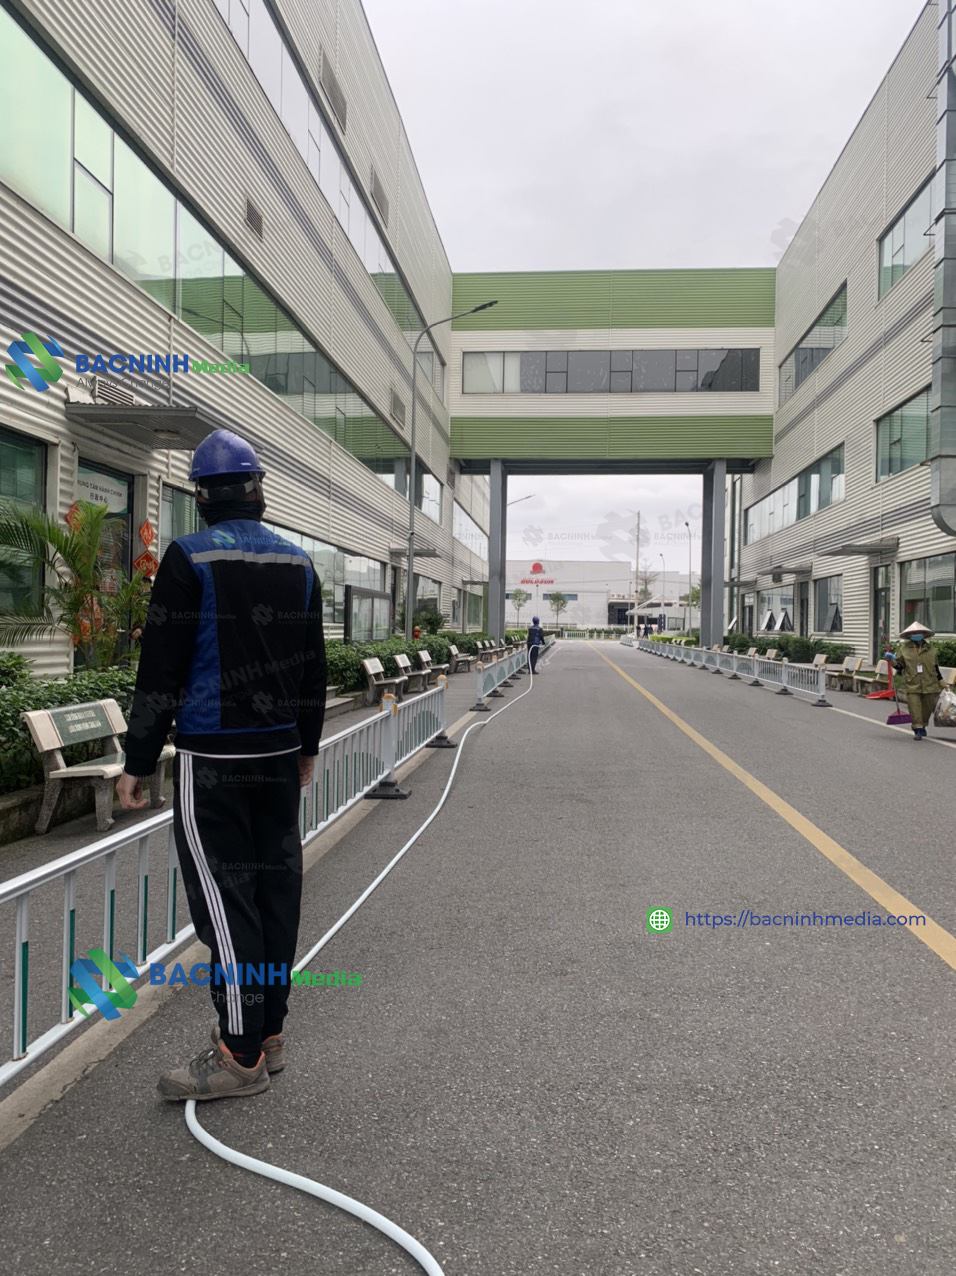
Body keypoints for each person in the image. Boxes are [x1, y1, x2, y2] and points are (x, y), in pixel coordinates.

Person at [116, 429, 327, 1100]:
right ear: (258, 492)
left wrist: (138, 759)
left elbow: (161, 668)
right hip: (277, 757)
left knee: (227, 902)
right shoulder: (299, 563)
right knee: (274, 894)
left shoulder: (189, 558)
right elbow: (314, 668)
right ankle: (268, 1032)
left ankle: (238, 1054)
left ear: (202, 497)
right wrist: (308, 745)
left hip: (213, 759)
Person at [890, 620, 943, 741]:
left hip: (930, 684)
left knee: (926, 709)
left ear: (924, 634)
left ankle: (923, 725)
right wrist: (892, 660)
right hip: (912, 684)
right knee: (914, 708)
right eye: (914, 633)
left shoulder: (931, 650)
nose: (917, 634)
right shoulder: (904, 649)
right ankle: (917, 729)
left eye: (919, 632)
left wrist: (941, 680)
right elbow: (900, 667)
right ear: (910, 635)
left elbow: (935, 667)